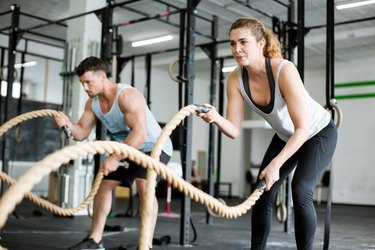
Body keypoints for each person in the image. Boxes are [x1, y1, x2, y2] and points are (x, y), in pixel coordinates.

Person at [197, 17, 337, 250]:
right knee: (261, 196)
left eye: (243, 42)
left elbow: (302, 129)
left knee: (300, 190)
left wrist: (276, 164)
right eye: (232, 43)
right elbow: (233, 130)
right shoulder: (235, 79)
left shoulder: (283, 70)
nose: (237, 49)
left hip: (317, 133)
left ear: (261, 43)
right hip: (286, 136)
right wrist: (216, 117)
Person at [53, 56, 173, 250]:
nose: (85, 88)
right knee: (104, 185)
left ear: (102, 77)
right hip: (128, 148)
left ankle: (146, 245)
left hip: (154, 147)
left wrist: (115, 158)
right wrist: (66, 126)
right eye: (82, 83)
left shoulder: (127, 96)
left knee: (144, 185)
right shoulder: (92, 104)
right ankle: (95, 240)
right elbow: (81, 133)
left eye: (88, 82)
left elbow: (140, 134)